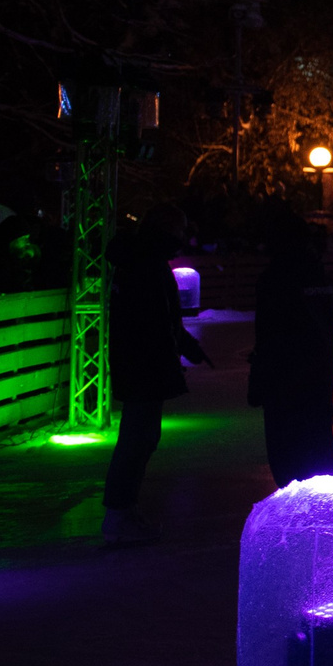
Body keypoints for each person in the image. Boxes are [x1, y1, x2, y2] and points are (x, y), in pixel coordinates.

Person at [101, 203, 210, 546]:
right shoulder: (144, 265)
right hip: (143, 367)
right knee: (137, 440)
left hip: (142, 365)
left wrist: (185, 347)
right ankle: (118, 514)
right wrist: (173, 353)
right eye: (178, 231)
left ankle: (123, 510)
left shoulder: (142, 261)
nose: (181, 239)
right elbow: (154, 323)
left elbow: (162, 320)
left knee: (141, 439)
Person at [249, 212, 333, 487]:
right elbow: (328, 324)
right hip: (319, 369)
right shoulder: (319, 273)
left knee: (286, 444)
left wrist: (259, 378)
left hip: (284, 374)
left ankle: (296, 508)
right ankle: (321, 506)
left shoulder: (275, 278)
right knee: (318, 436)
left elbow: (269, 332)